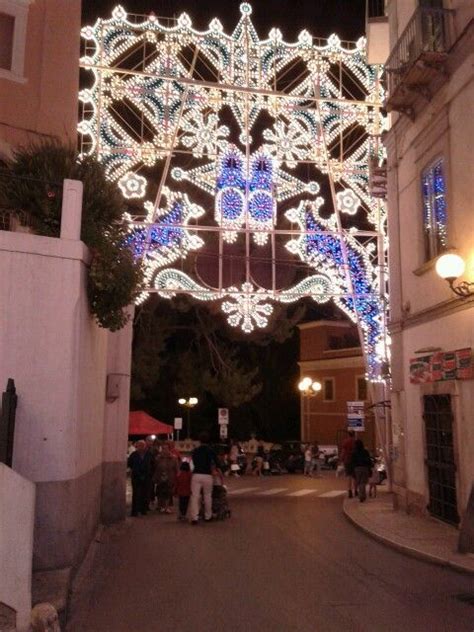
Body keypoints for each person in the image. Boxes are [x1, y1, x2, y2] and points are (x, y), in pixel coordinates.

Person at [189, 431, 218, 524]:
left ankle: (194, 517)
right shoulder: (211, 450)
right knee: (207, 496)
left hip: (197, 474)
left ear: (199, 440)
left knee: (195, 496)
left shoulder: (195, 451)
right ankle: (208, 516)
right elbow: (215, 462)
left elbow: (192, 462)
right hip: (207, 475)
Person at [127, 440, 154, 517]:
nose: (141, 447)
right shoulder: (134, 455)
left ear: (145, 446)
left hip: (147, 477)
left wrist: (150, 474)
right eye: (140, 445)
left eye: (143, 445)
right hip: (136, 477)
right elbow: (130, 464)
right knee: (136, 494)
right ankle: (135, 511)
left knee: (145, 494)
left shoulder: (149, 454)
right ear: (137, 446)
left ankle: (143, 509)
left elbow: (153, 464)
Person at [154, 443, 178, 513]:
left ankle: (167, 507)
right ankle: (161, 506)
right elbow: (155, 467)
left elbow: (176, 468)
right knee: (160, 492)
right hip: (160, 477)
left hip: (170, 477)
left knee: (168, 493)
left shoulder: (173, 458)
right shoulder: (158, 458)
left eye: (166, 448)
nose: (164, 450)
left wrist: (176, 478)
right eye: (163, 448)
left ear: (169, 449)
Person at [341, 430, 357, 498]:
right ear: (354, 434)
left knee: (349, 476)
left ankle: (350, 490)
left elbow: (343, 451)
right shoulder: (356, 442)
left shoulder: (345, 442)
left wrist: (342, 459)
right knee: (355, 477)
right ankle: (356, 490)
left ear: (348, 434)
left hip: (347, 460)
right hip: (355, 460)